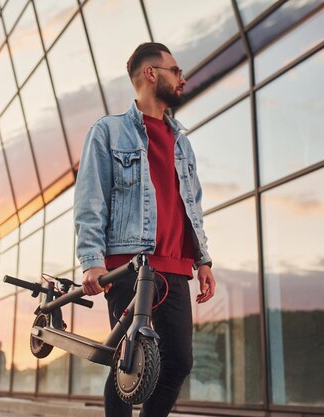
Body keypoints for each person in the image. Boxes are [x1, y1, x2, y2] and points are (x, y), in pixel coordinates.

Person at [74, 42, 217, 417]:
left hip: (174, 266)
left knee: (179, 362)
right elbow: (91, 199)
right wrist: (91, 261)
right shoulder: (108, 131)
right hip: (130, 264)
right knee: (129, 359)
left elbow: (192, 205)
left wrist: (203, 260)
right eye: (176, 70)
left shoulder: (181, 142)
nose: (182, 78)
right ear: (152, 74)